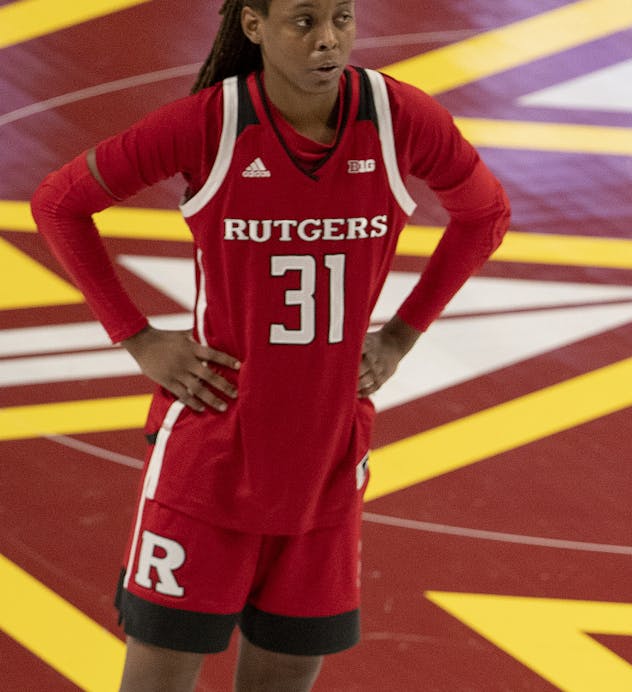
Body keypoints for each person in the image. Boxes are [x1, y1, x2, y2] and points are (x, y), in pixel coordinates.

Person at [29, 0, 510, 689]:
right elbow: (58, 202)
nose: (327, 41)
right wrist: (136, 337)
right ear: (253, 25)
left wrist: (402, 334)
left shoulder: (399, 118)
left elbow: (486, 214)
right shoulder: (209, 125)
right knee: (157, 678)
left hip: (327, 458)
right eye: (304, 21)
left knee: (283, 678)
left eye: (341, 19)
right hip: (213, 453)